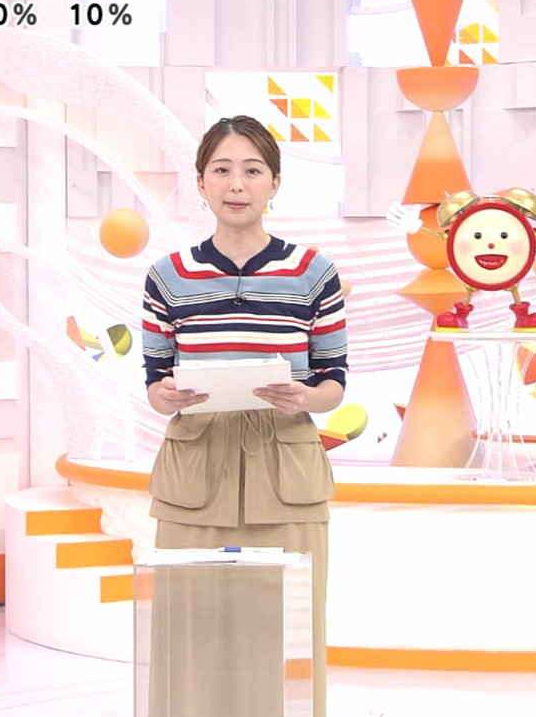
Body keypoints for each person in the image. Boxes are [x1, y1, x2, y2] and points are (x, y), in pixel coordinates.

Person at [141, 115, 346, 717]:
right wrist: (165, 397)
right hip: (194, 465)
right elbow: (154, 381)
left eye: (252, 170)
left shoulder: (314, 272)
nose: (237, 184)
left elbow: (334, 381)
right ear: (200, 182)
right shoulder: (167, 276)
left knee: (285, 631)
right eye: (222, 170)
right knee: (189, 627)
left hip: (286, 465)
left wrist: (305, 398)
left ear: (274, 182)